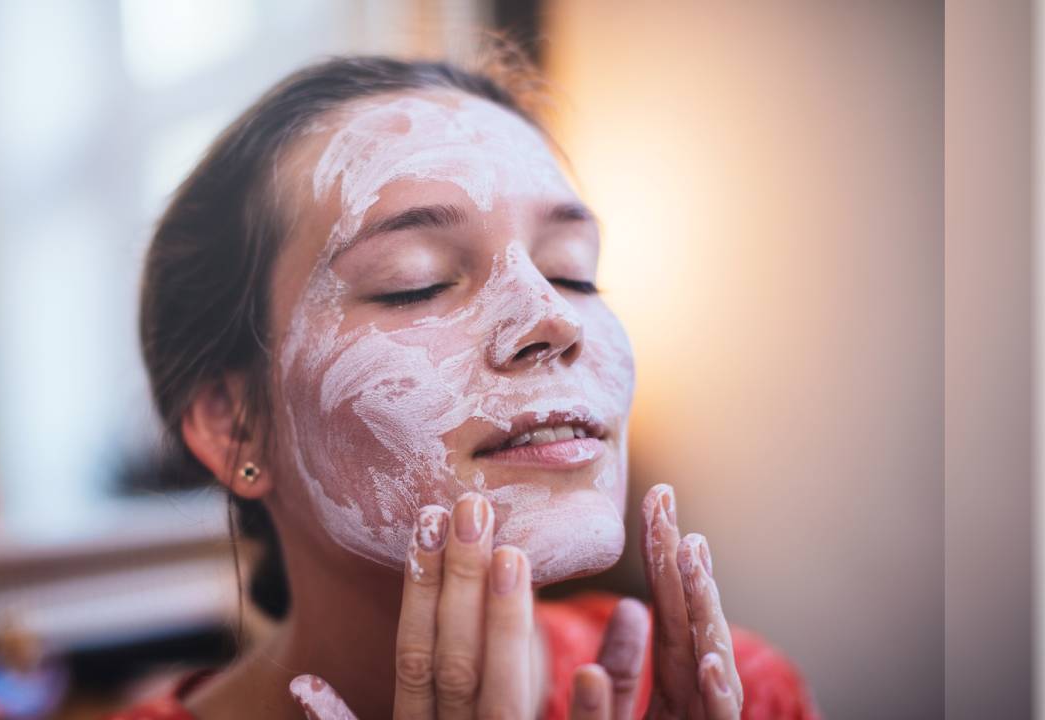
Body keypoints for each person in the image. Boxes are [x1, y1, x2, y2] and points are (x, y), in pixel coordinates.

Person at [115, 53, 819, 720]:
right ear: (235, 423)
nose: (553, 317)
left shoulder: (740, 693)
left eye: (572, 273)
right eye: (414, 283)